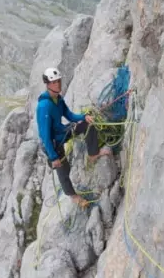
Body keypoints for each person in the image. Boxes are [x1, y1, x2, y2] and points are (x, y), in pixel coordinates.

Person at [35, 66, 110, 208]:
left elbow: (69, 115)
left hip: (62, 133)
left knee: (87, 124)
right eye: (54, 82)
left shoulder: (58, 99)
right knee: (63, 170)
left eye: (59, 81)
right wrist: (53, 157)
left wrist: (84, 117)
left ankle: (93, 154)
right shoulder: (44, 106)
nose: (58, 84)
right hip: (52, 143)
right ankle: (73, 196)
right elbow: (45, 135)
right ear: (48, 84)